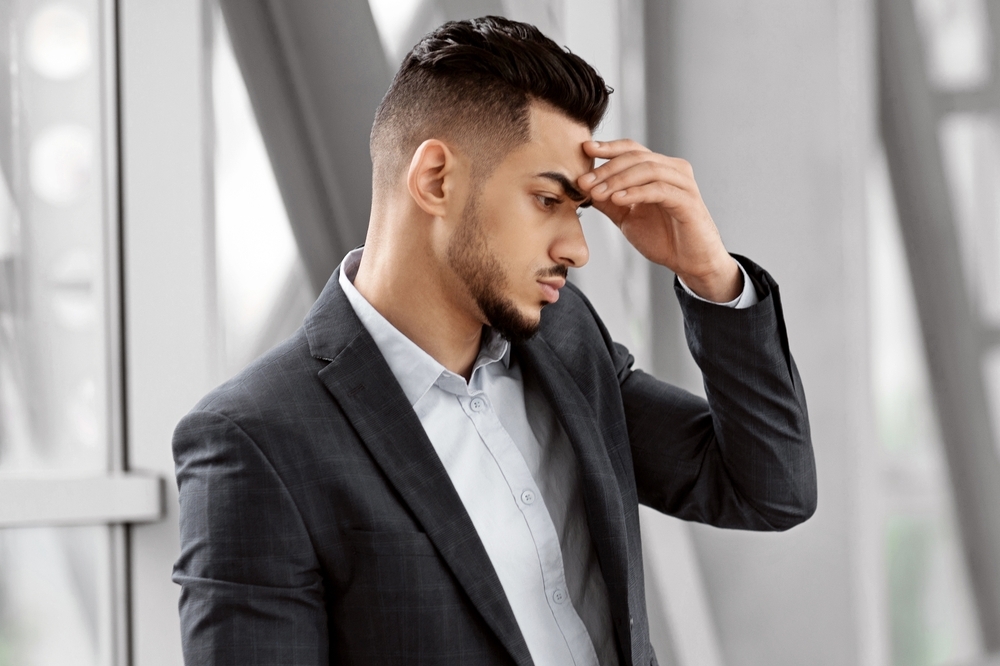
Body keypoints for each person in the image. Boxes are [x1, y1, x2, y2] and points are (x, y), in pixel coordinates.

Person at [172, 15, 816, 666]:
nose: (577, 249)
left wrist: (710, 275)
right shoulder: (256, 441)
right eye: (546, 200)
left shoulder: (566, 342)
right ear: (436, 180)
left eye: (578, 210)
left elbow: (767, 488)